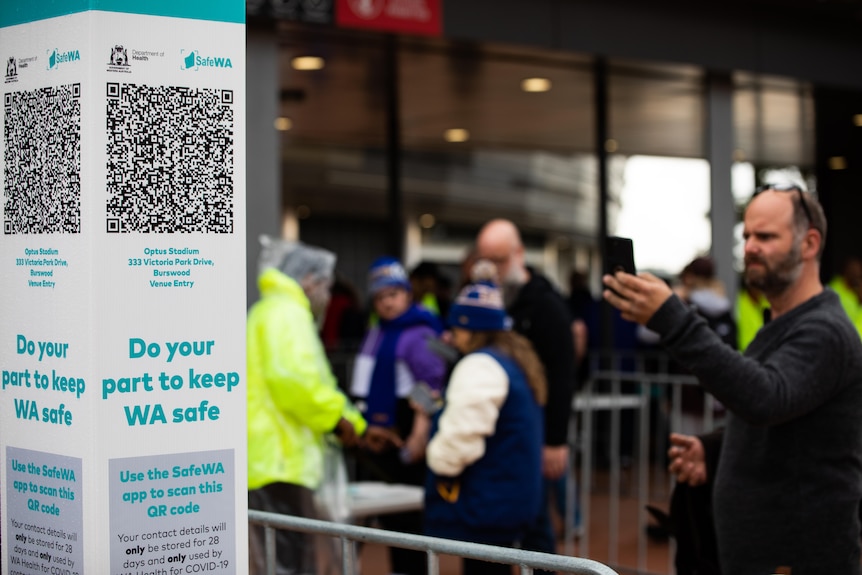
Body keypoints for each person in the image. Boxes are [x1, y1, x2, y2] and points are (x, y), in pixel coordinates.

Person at [603, 185, 862, 574]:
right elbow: (791, 424)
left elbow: (765, 398)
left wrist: (673, 319)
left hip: (798, 557)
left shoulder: (825, 330)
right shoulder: (782, 324)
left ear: (810, 244)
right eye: (747, 236)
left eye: (766, 236)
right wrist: (713, 450)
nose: (751, 246)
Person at [247, 236, 367, 575]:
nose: (327, 296)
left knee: (276, 559)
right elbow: (297, 382)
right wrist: (339, 421)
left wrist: (354, 421)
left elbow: (311, 382)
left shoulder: (267, 311)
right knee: (292, 561)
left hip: (269, 459)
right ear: (309, 280)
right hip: (282, 459)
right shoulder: (287, 315)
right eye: (326, 286)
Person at [424, 261, 547, 575]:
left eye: (456, 327)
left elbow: (460, 439)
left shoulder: (479, 366)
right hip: (511, 494)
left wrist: (438, 461)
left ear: (472, 326)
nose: (451, 335)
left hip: (488, 500)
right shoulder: (513, 358)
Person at [476, 219, 577, 560]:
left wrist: (555, 440)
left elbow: (563, 375)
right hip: (492, 433)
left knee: (535, 524)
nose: (492, 269)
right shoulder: (488, 300)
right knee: (490, 526)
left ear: (518, 254)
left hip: (531, 432)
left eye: (500, 260)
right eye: (485, 260)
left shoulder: (546, 306)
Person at [349, 256, 447, 575]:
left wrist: (419, 432)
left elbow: (430, 386)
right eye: (379, 297)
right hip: (373, 437)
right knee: (377, 522)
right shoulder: (378, 331)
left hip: (403, 438)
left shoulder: (417, 333)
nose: (387, 302)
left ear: (406, 294)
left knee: (405, 524)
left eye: (393, 294)